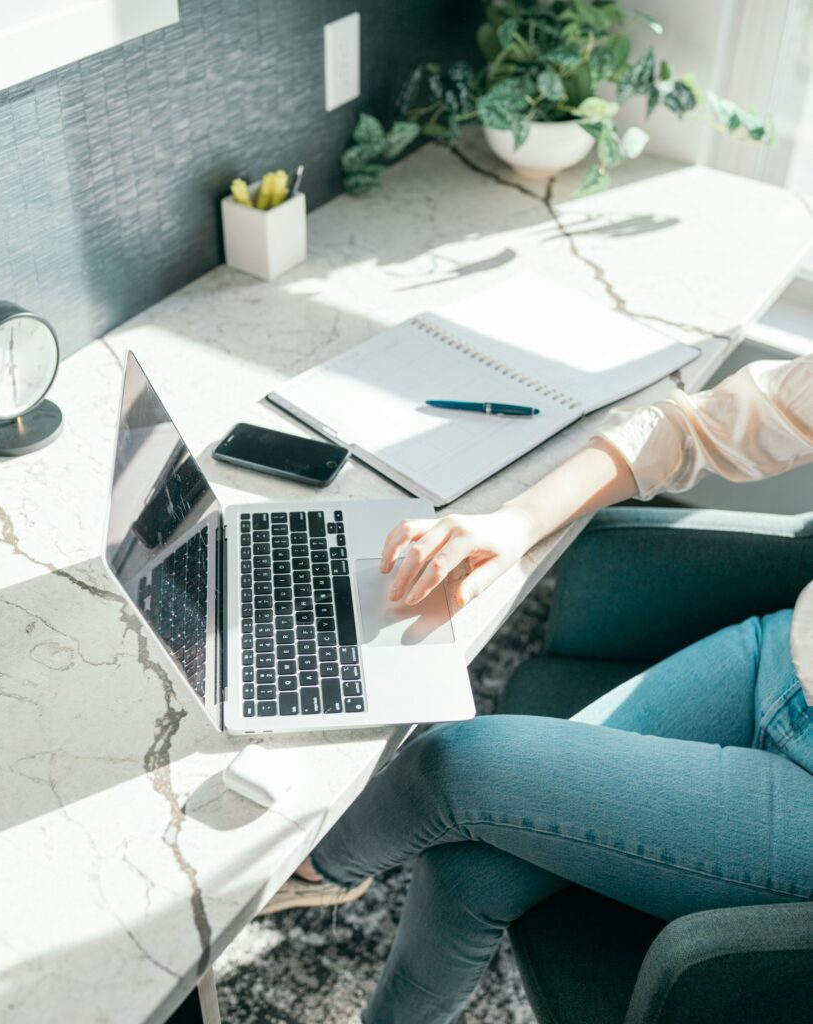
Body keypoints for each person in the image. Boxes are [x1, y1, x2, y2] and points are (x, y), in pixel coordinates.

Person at [268, 354, 813, 1024]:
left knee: (455, 764)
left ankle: (301, 872)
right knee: (461, 872)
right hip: (780, 659)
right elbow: (696, 426)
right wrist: (514, 523)